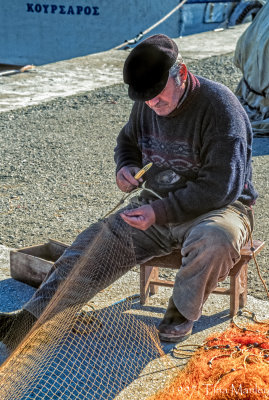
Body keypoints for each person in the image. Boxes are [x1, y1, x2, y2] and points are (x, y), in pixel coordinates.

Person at [0, 34, 257, 348]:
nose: (152, 104)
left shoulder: (221, 108)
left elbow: (221, 187)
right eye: (146, 99)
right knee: (94, 242)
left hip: (220, 209)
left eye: (158, 96)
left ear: (184, 74)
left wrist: (158, 213)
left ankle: (180, 313)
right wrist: (126, 167)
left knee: (217, 240)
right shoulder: (147, 104)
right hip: (158, 202)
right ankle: (31, 319)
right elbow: (128, 142)